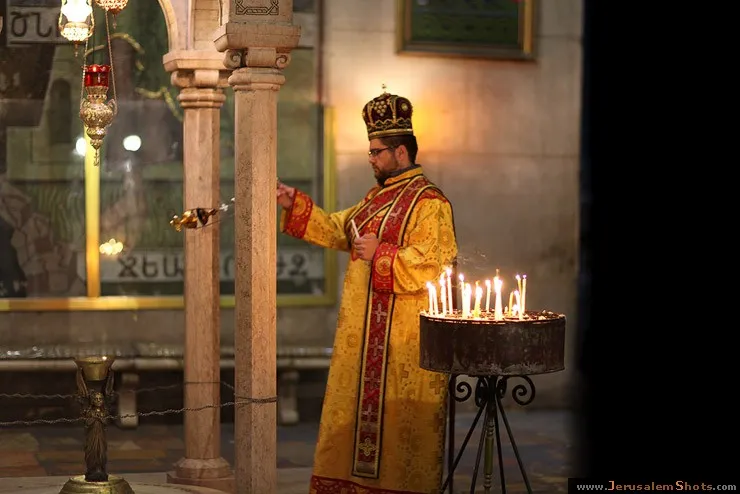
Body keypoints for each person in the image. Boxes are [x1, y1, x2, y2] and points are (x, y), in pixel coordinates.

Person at [277, 89, 458, 494]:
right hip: (363, 340)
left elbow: (435, 264)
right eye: (370, 151)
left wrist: (383, 254)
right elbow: (337, 228)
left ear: (400, 151)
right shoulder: (376, 199)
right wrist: (293, 203)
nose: (371, 159)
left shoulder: (430, 202)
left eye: (377, 152)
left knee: (399, 438)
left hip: (403, 344)